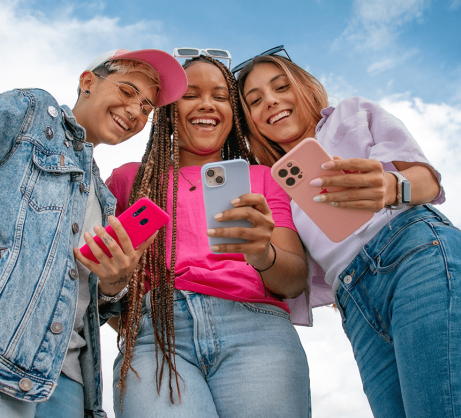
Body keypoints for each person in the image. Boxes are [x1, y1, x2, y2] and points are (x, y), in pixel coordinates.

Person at [0, 48, 187, 418]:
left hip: (67, 382)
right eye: (128, 91)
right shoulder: (32, 112)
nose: (135, 112)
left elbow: (74, 302)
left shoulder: (104, 198)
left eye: (146, 107)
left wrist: (114, 283)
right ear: (88, 82)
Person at [235, 47, 461, 418]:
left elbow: (427, 180)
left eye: (281, 87)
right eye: (255, 101)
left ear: (304, 87)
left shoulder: (351, 114)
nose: (271, 101)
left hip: (415, 258)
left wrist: (391, 186)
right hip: (358, 308)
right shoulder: (273, 185)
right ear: (249, 120)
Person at [96, 53, 310, 418]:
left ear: (233, 113)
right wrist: (136, 321)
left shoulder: (263, 178)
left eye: (220, 96)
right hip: (155, 338)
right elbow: (102, 281)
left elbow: (293, 281)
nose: (207, 104)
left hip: (255, 331)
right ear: (168, 111)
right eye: (191, 95)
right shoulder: (129, 180)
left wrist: (263, 254)